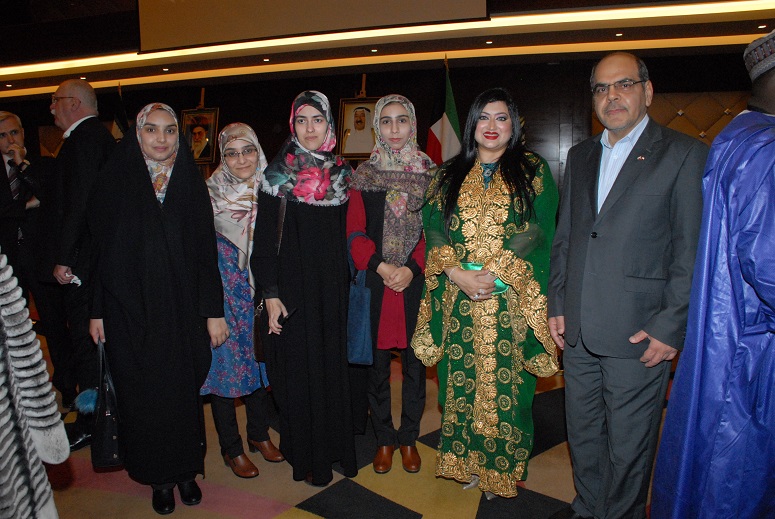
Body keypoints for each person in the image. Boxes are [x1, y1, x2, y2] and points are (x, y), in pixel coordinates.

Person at [547, 52, 708, 519]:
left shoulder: (684, 154)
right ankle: (587, 508)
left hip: (640, 332)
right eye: (601, 88)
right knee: (584, 435)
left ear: (647, 91)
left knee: (629, 446)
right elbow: (566, 238)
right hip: (577, 330)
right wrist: (557, 302)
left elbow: (690, 251)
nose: (612, 96)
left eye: (624, 84)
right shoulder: (580, 155)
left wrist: (670, 325)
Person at [411, 87, 559, 498]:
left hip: (508, 299)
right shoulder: (447, 173)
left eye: (501, 118)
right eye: (483, 117)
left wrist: (495, 273)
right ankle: (466, 462)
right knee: (458, 384)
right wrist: (455, 272)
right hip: (457, 298)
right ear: (472, 124)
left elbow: (538, 226)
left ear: (514, 125)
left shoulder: (532, 169)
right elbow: (433, 227)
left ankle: (501, 469)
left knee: (509, 389)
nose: (491, 126)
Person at [651, 30, 775, 519]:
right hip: (754, 347)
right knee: (735, 479)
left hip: (728, 333)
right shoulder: (765, 147)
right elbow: (767, 266)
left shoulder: (735, 136)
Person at [88, 103, 227, 515]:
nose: (161, 138)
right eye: (151, 129)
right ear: (137, 134)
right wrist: (96, 311)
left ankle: (186, 471)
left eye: (169, 130)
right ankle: (159, 479)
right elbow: (97, 252)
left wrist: (213, 312)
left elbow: (205, 252)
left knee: (182, 394)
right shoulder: (114, 180)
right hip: (128, 310)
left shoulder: (189, 181)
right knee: (143, 396)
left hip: (182, 311)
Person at [251, 90, 356, 487]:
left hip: (333, 291)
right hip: (292, 293)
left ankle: (334, 447)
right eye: (301, 120)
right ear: (292, 124)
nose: (309, 128)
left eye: (317, 119)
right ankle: (307, 456)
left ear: (329, 124)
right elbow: (263, 243)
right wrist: (270, 292)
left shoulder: (345, 175)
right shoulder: (276, 175)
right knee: (299, 373)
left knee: (331, 369)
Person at [346, 94, 435, 475]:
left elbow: (435, 233)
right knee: (377, 366)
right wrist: (381, 267)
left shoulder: (431, 175)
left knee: (416, 366)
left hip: (415, 282)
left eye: (402, 120)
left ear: (412, 124)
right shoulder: (364, 175)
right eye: (386, 121)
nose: (394, 129)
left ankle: (409, 438)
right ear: (377, 128)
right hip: (377, 281)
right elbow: (354, 232)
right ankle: (384, 438)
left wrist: (412, 269)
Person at [201, 122, 284, 479]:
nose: (241, 159)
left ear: (258, 151)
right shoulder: (207, 196)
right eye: (232, 153)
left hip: (259, 297)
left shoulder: (273, 192)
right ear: (223, 157)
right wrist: (212, 311)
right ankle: (231, 448)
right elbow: (200, 260)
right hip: (223, 299)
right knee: (224, 376)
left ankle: (258, 435)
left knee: (259, 367)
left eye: (247, 150)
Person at [42, 79, 115, 450]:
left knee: (89, 343)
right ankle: (98, 417)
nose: (51, 108)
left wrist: (65, 257)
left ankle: (94, 422)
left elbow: (79, 203)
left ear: (73, 103)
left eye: (55, 100)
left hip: (83, 265)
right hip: (92, 261)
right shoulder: (95, 138)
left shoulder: (84, 140)